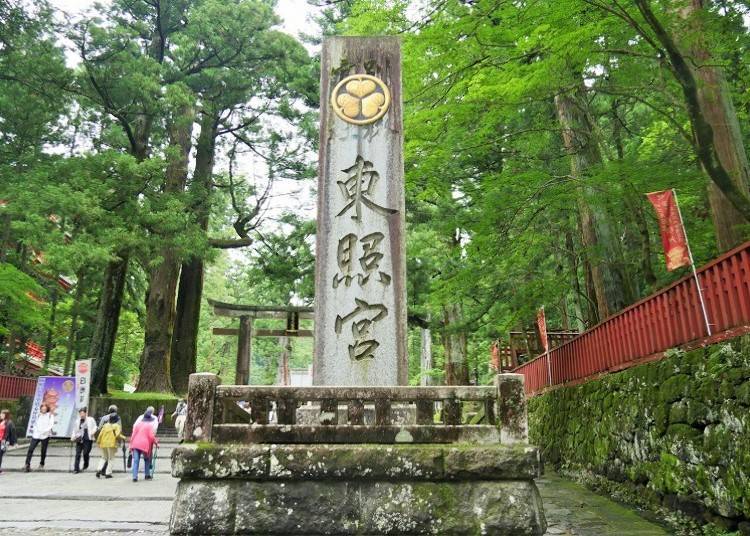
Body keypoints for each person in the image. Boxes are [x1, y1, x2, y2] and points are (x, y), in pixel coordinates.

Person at [129, 408, 159, 482]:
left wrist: (130, 445)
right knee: (147, 459)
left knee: (136, 460)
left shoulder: (137, 425)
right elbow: (151, 437)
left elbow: (133, 435)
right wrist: (156, 443)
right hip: (145, 445)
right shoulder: (149, 427)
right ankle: (147, 475)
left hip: (135, 444)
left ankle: (134, 477)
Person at [25, 403, 55, 472]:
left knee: (43, 450)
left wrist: (44, 431)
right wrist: (36, 430)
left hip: (45, 435)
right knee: (31, 449)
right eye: (42, 408)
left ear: (47, 409)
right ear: (40, 409)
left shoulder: (50, 415)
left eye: (45, 408)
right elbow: (35, 423)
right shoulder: (38, 415)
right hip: (36, 434)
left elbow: (50, 425)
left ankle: (42, 463)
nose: (43, 409)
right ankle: (27, 464)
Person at [95, 410, 125, 479]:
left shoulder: (105, 425)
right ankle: (108, 473)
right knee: (111, 459)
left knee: (103, 458)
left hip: (103, 444)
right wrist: (124, 438)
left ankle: (98, 470)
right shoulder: (117, 426)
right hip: (111, 444)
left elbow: (100, 435)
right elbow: (118, 435)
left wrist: (98, 442)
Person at [71, 408, 97, 473]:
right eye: (80, 413)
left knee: (86, 453)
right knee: (77, 454)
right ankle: (76, 469)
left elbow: (95, 427)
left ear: (86, 413)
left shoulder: (91, 419)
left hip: (88, 438)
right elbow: (75, 430)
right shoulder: (77, 421)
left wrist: (93, 433)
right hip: (79, 438)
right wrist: (73, 437)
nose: (82, 415)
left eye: (83, 413)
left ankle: (86, 464)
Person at [0, 409, 18, 473]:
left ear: (6, 415)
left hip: (4, 441)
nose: (1, 415)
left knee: (0, 454)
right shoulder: (1, 421)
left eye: (2, 414)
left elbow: (13, 433)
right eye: (1, 413)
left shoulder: (10, 423)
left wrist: (15, 442)